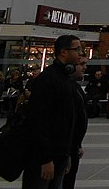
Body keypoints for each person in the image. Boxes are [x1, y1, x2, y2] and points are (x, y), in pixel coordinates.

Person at [22, 34, 83, 189]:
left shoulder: (66, 79)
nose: (80, 53)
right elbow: (38, 120)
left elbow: (66, 119)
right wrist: (45, 158)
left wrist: (68, 153)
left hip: (61, 154)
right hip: (45, 158)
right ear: (63, 52)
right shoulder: (48, 79)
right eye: (77, 49)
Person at [63, 54, 88, 189]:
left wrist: (78, 145)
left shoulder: (74, 87)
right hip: (64, 148)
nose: (85, 67)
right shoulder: (65, 88)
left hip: (72, 146)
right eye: (82, 64)